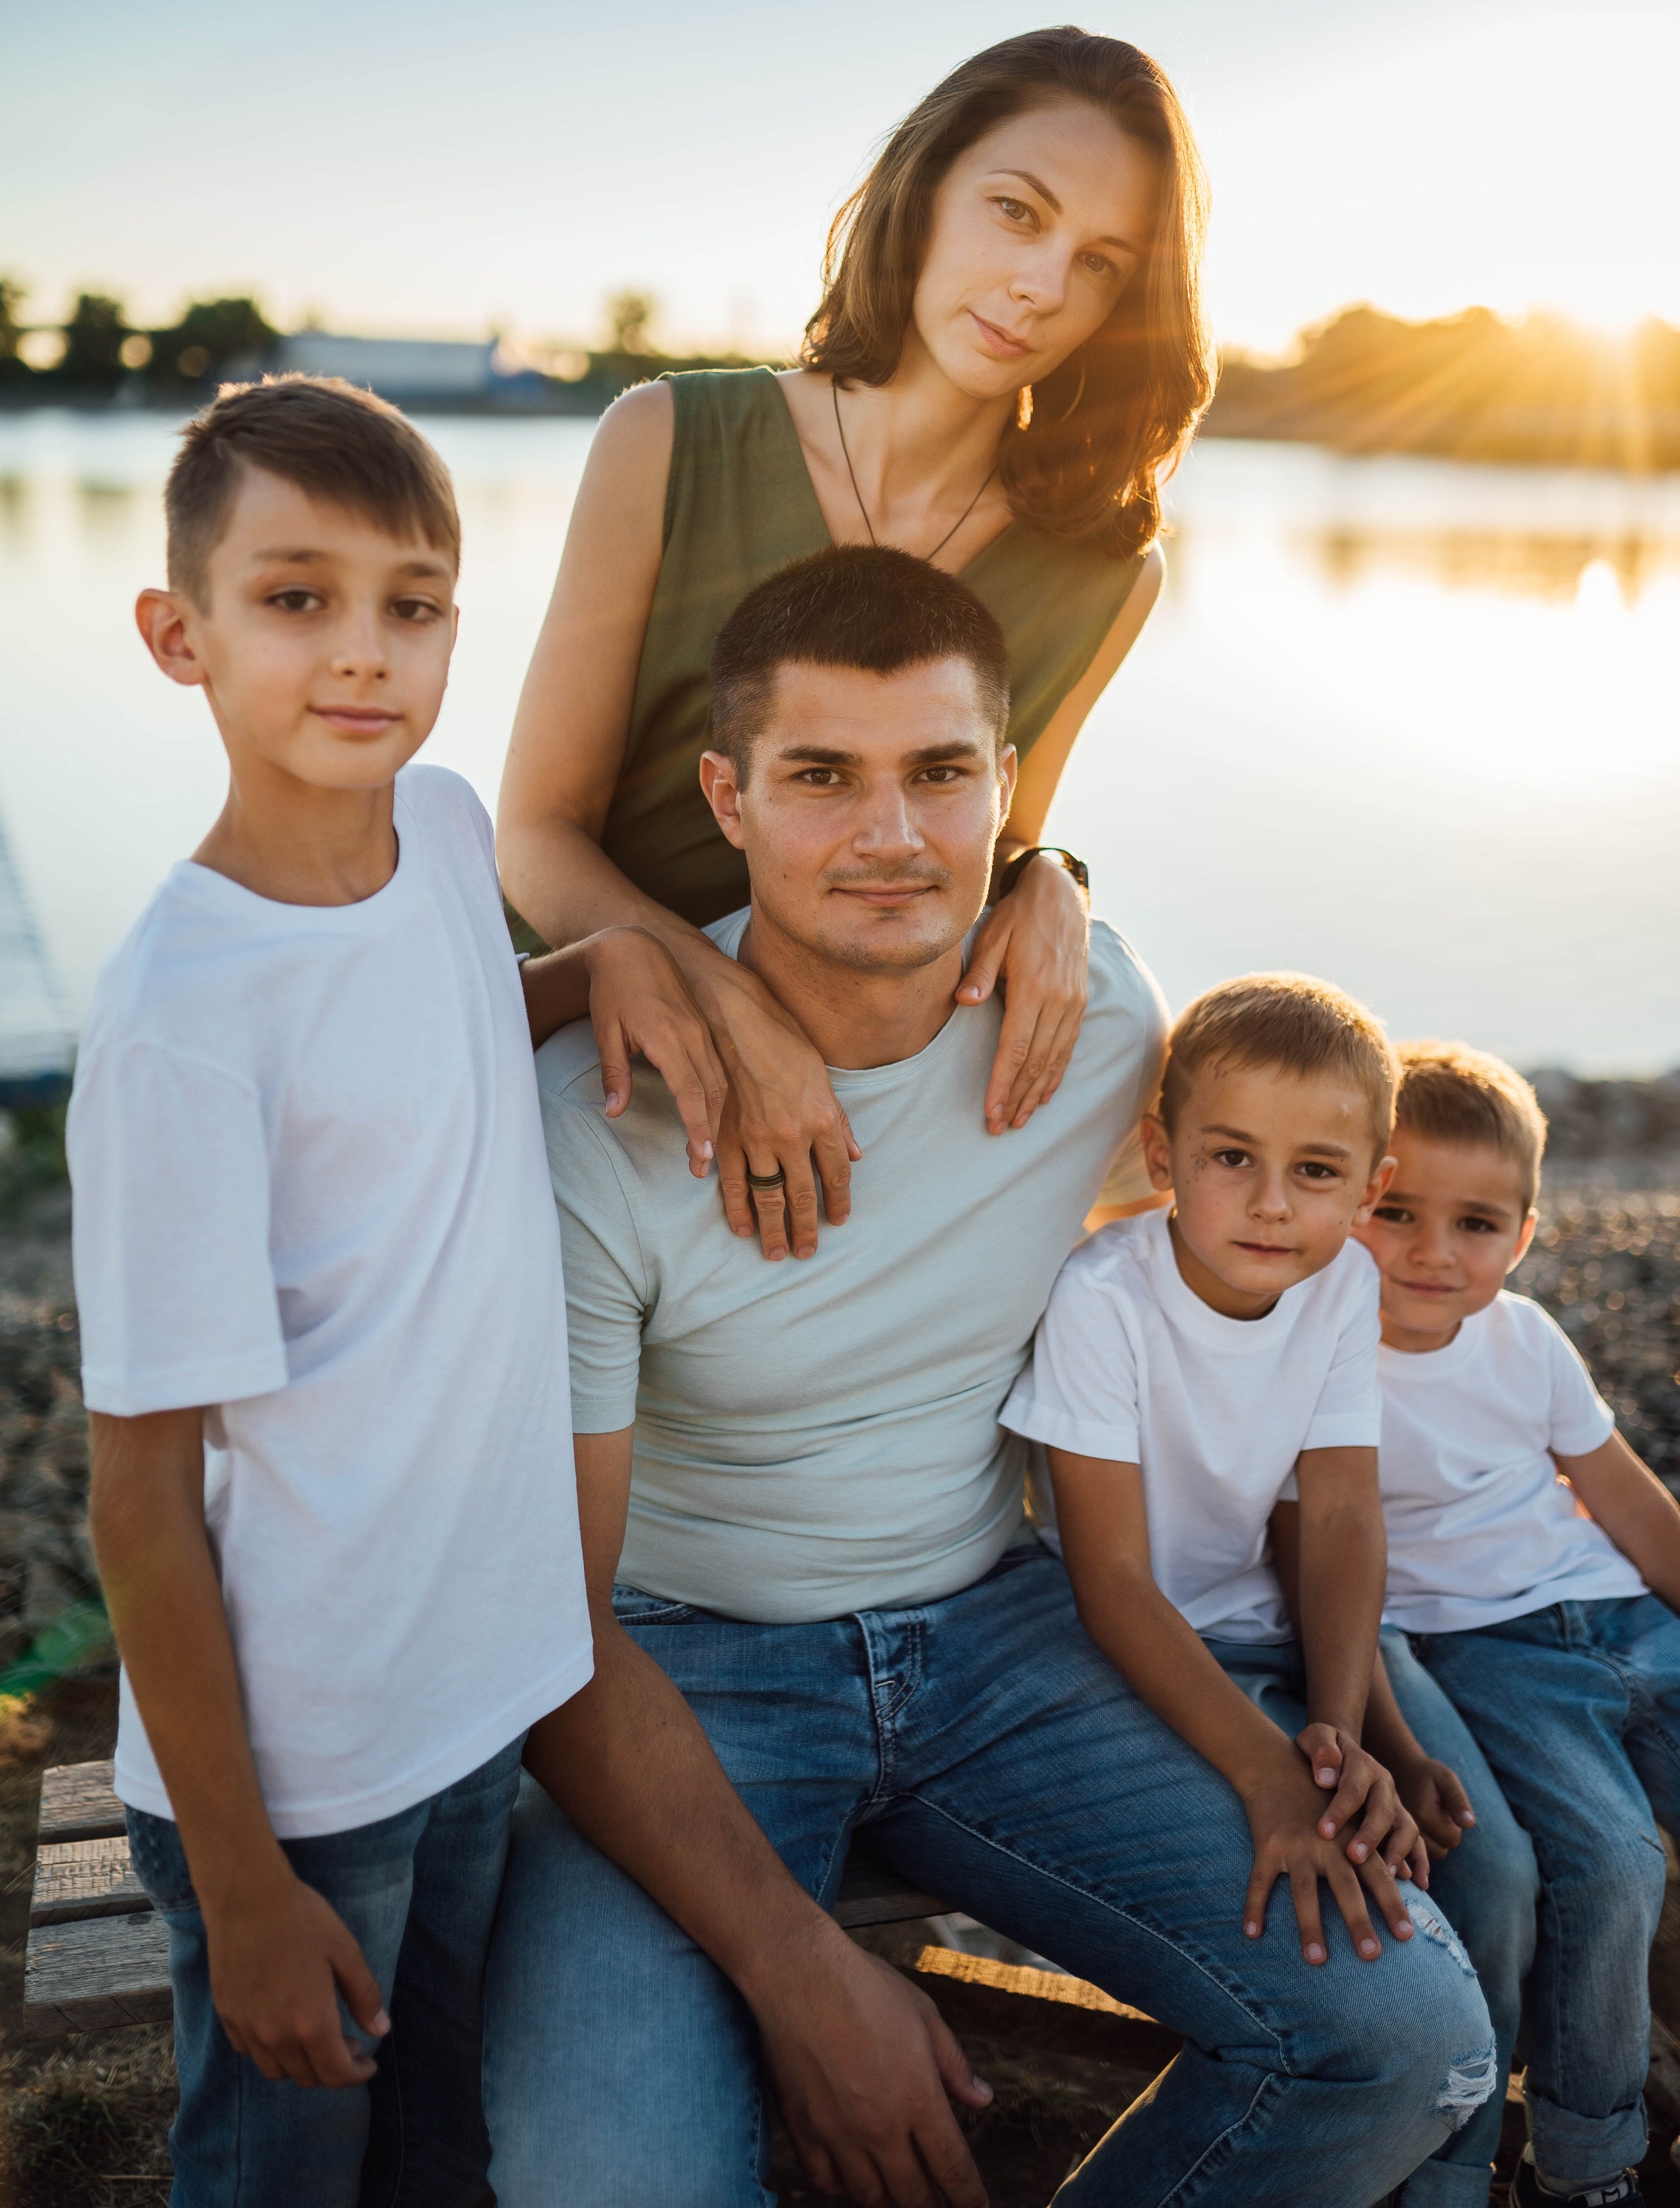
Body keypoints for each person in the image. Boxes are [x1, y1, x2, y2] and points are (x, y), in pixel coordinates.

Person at [484, 545, 1495, 2208]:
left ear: (1006, 790)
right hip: (681, 1670)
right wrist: (809, 1981)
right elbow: (553, 1621)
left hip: (1002, 1632)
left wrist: (1308, 1719)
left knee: (1412, 2046)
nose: (890, 838)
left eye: (940, 775)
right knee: (610, 2181)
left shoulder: (1092, 1018)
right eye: (822, 777)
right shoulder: (596, 1121)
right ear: (725, 798)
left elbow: (1233, 1245)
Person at [69, 378, 682, 2205]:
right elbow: (139, 1496)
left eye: (411, 604)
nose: (364, 652)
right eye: (296, 596)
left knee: (439, 2155)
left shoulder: (439, 826)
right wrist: (245, 1882)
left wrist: (597, 970)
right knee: (282, 2168)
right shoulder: (183, 1022)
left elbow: (438, 1032)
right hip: (306, 1761)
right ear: (179, 635)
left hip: (479, 1676)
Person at [496, 25, 1215, 1262]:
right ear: (925, 190)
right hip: (582, 1056)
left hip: (857, 1097)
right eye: (1016, 212)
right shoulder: (665, 439)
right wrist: (729, 1008)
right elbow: (533, 835)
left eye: (1099, 264)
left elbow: (985, 826)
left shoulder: (1107, 574)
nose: (1042, 286)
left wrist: (1057, 881)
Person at [999, 974, 1437, 1972]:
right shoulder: (1103, 1297)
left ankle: (1500, 2132)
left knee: (1478, 1857)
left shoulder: (1342, 1282)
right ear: (1163, 1154)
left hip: (1275, 1626)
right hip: (1124, 1656)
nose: (1272, 1205)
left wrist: (1341, 1732)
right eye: (1232, 1156)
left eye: (1318, 1172)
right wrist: (1273, 1774)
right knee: (1338, 1893)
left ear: (1372, 1186)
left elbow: (1336, 1516)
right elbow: (1109, 1581)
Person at [1351, 1039, 1680, 2208]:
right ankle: (1586, 2159)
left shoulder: (1526, 1338)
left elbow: (1627, 1496)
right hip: (1489, 1654)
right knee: (1608, 1861)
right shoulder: (1328, 1353)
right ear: (1349, 1199)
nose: (1436, 1252)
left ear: (1526, 1234)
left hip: (1623, 1614)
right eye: (1397, 1211)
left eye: (1479, 1224)